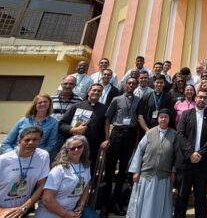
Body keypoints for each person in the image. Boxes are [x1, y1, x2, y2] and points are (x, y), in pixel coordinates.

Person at [0, 126, 50, 218]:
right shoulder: (1, 161)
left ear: (40, 140)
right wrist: (0, 213)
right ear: (19, 141)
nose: (31, 143)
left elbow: (41, 185)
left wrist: (24, 207)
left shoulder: (43, 156)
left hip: (18, 212)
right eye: (27, 140)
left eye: (35, 139)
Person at [174, 88, 207, 218]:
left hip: (202, 163)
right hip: (185, 162)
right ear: (195, 98)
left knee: (200, 197)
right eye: (200, 97)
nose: (202, 99)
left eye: (205, 98)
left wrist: (200, 154)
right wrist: (190, 154)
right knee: (182, 195)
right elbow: (180, 134)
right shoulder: (186, 114)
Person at [101, 77, 141, 217]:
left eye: (133, 84)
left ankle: (116, 202)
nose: (131, 85)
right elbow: (107, 119)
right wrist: (107, 138)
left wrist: (136, 142)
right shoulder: (116, 99)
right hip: (116, 134)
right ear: (125, 85)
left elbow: (137, 121)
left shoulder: (138, 100)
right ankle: (105, 204)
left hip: (129, 135)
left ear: (136, 86)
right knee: (110, 169)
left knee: (123, 170)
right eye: (129, 83)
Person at [127, 109, 177, 218]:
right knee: (145, 203)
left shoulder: (174, 134)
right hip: (147, 175)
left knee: (160, 203)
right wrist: (136, 171)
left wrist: (173, 171)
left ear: (169, 119)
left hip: (163, 176)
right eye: (161, 117)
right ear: (158, 118)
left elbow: (175, 156)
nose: (163, 119)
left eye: (166, 117)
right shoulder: (149, 133)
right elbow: (139, 151)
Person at [36, 136, 96, 218]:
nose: (76, 150)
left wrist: (81, 205)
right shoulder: (59, 169)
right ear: (66, 150)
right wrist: (66, 214)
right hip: (53, 212)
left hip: (73, 210)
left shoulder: (86, 166)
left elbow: (86, 187)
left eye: (79, 147)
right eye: (72, 148)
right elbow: (47, 199)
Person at [59, 84, 108, 174]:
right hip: (74, 146)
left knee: (88, 172)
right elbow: (62, 124)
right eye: (94, 90)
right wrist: (73, 130)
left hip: (92, 148)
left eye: (99, 91)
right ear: (88, 92)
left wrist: (106, 140)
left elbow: (105, 126)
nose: (96, 92)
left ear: (101, 94)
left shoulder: (104, 108)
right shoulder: (76, 106)